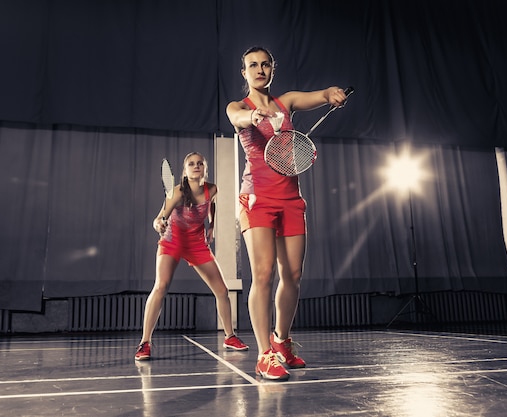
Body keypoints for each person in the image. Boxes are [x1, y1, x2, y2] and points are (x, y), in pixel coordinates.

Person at [226, 46, 349, 380]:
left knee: (292, 275)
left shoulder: (287, 101)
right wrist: (250, 118)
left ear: (273, 69)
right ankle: (265, 353)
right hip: (257, 199)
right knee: (263, 274)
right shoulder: (239, 107)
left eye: (265, 64)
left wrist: (332, 94)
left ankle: (282, 342)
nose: (260, 69)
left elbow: (320, 95)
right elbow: (236, 117)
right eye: (253, 65)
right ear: (244, 72)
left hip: (291, 198)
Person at [135, 152, 248, 360]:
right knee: (160, 286)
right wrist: (159, 224)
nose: (196, 166)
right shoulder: (177, 193)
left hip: (197, 244)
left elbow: (211, 205)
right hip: (173, 241)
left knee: (222, 290)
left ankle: (230, 337)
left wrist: (212, 227)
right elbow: (159, 218)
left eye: (200, 164)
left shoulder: (212, 189)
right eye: (191, 164)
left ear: (205, 168)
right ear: (185, 171)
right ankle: (145, 343)